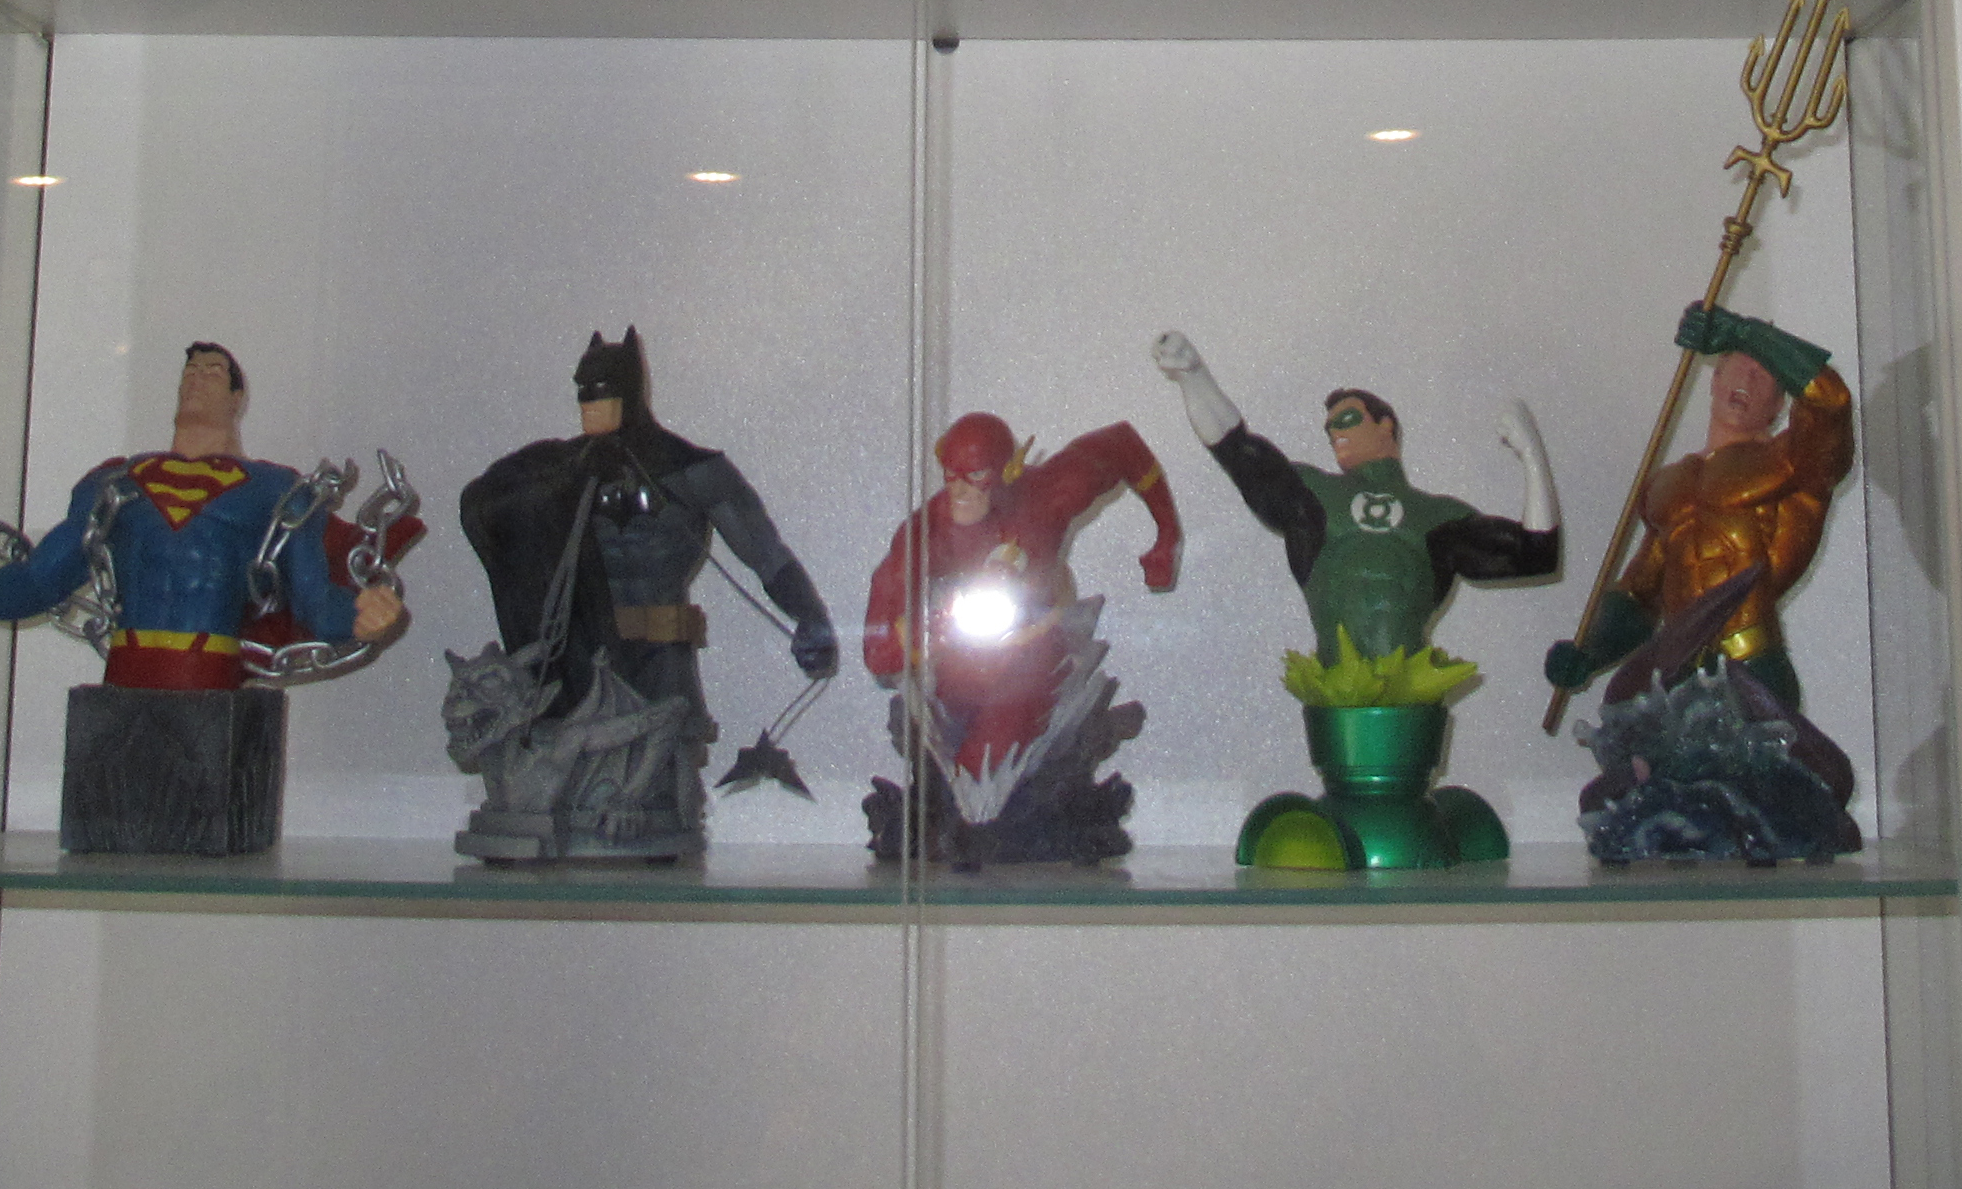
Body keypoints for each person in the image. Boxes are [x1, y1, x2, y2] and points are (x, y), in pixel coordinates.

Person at [456, 328, 837, 849]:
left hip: (659, 660)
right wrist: (566, 479)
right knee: (566, 777)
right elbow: (485, 503)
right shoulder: (560, 467)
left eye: (603, 392)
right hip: (578, 662)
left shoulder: (694, 471)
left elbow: (766, 556)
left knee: (655, 794)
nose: (591, 406)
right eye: (583, 394)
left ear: (631, 392)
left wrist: (810, 617)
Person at [0, 340, 404, 685]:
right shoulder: (115, 482)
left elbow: (313, 599)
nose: (196, 378)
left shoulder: (276, 490)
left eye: (212, 372)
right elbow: (44, 576)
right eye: (189, 371)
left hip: (212, 681)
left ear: (237, 399)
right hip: (125, 678)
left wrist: (361, 615)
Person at [1150, 331, 1558, 660]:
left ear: (1385, 426)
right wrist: (1195, 377)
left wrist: (1533, 458)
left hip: (1411, 699)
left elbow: (1536, 553)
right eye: (1330, 428)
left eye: (1346, 419)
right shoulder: (1316, 496)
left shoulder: (1437, 516)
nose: (1336, 432)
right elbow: (1238, 451)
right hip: (1335, 695)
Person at [1543, 303, 1853, 713]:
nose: (1747, 379)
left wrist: (1742, 332)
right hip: (1680, 671)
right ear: (1715, 379)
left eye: (1764, 374)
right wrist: (1589, 653)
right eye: (1738, 366)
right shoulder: (1666, 485)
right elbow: (1640, 593)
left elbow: (1830, 401)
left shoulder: (1792, 463)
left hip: (1752, 662)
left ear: (1780, 404)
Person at [863, 410, 1180, 789]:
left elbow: (1123, 444)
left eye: (975, 476)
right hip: (962, 655)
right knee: (952, 773)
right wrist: (937, 626)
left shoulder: (1046, 495)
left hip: (1032, 654)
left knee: (981, 772)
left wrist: (1168, 535)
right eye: (950, 475)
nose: (959, 491)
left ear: (1008, 471)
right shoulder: (929, 530)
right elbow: (878, 652)